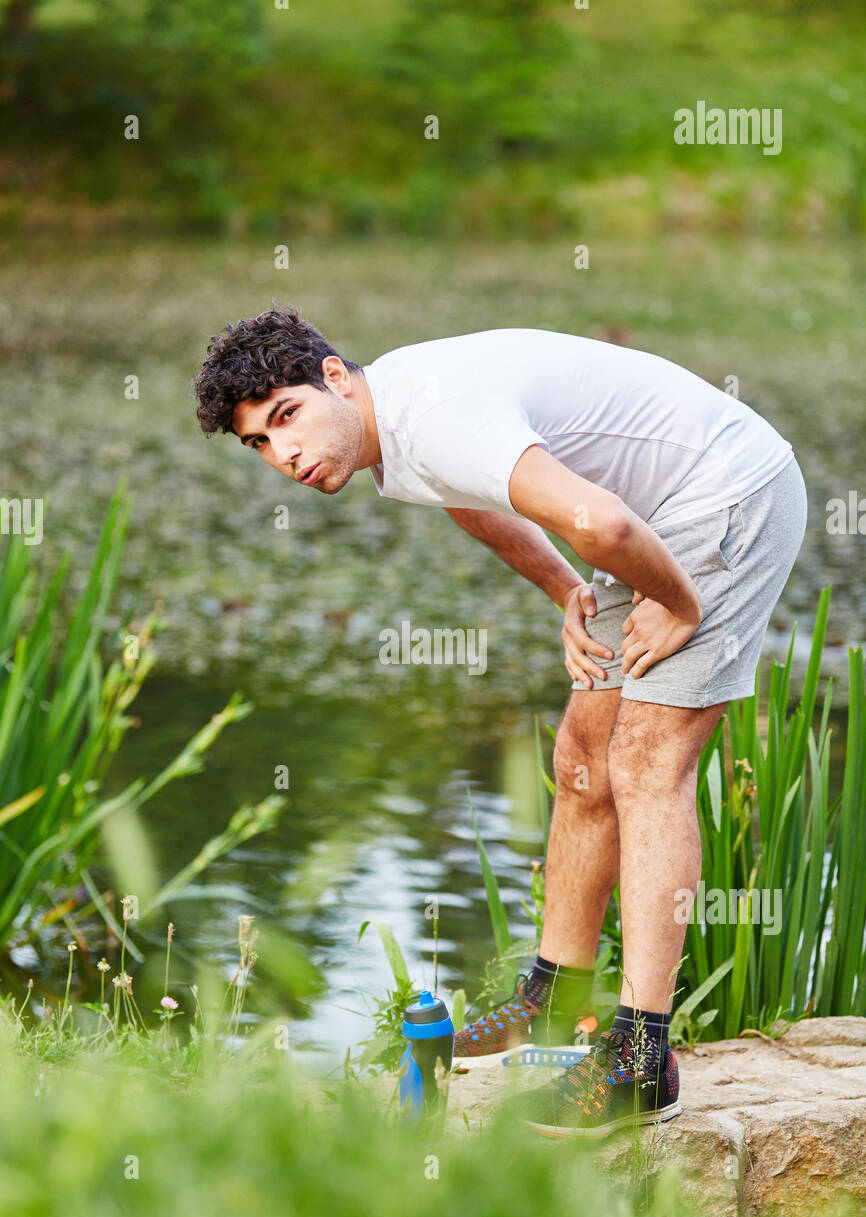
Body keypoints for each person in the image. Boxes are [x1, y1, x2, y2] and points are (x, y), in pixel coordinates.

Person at [194, 308, 808, 1138]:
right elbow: (470, 498)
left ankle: (640, 1061)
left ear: (335, 377)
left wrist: (679, 603)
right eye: (260, 443)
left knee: (645, 765)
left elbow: (605, 526)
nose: (285, 455)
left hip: (728, 497)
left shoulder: (435, 415)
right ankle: (554, 1001)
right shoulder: (392, 419)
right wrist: (569, 594)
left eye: (288, 417)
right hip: (653, 513)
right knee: (585, 755)